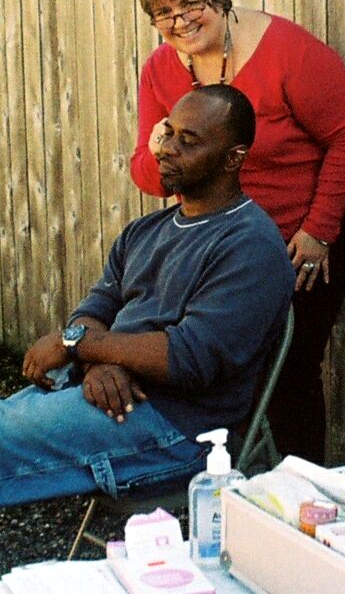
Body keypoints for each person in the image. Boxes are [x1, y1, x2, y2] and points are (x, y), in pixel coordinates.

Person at [131, 0, 345, 463]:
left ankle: (300, 491)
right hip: (216, 248)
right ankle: (214, 484)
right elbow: (151, 179)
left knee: (288, 373)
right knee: (209, 365)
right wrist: (158, 154)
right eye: (163, 14)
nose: (179, 21)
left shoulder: (286, 50)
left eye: (190, 4)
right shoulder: (159, 71)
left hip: (301, 242)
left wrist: (320, 229)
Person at [0, 86, 294, 507]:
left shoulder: (249, 245)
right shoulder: (145, 231)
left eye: (188, 141)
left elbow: (188, 359)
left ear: (233, 158)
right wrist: (96, 360)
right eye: (168, 134)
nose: (167, 149)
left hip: (178, 428)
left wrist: (80, 346)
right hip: (105, 394)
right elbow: (95, 310)